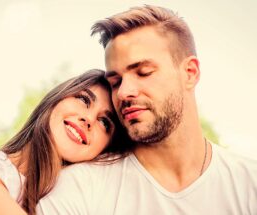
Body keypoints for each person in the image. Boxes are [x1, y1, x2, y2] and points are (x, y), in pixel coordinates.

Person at [37, 5, 257, 214]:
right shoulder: (80, 188)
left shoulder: (249, 185)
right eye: (115, 82)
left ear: (189, 73)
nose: (124, 92)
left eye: (143, 72)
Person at [0, 69, 127, 215]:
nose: (89, 119)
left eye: (104, 122)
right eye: (84, 100)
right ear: (55, 100)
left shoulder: (75, 199)